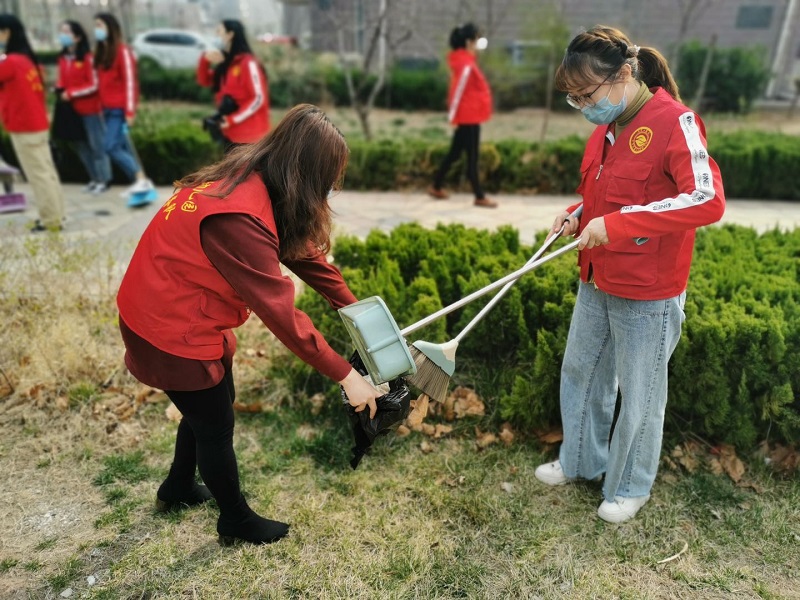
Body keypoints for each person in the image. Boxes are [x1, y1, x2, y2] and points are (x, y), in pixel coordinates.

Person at [116, 104, 382, 545]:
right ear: (307, 174)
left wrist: (355, 310)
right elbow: (283, 315)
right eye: (326, 183)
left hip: (171, 308)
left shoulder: (252, 175)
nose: (327, 194)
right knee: (214, 425)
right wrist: (347, 375)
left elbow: (302, 253)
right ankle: (235, 520)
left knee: (210, 407)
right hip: (165, 326)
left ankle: (178, 487)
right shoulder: (237, 218)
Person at [533, 26, 725, 523]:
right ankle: (580, 461)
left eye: (586, 94)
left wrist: (618, 225)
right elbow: (609, 195)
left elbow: (706, 199)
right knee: (582, 373)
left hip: (649, 291)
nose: (582, 107)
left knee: (641, 394)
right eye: (573, 99)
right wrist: (577, 213)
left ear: (623, 74)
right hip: (596, 279)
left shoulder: (677, 122)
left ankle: (629, 485)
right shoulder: (606, 126)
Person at [0, 14, 66, 232]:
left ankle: (51, 220)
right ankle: (56, 214)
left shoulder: (10, 63)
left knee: (38, 174)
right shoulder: (27, 60)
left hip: (24, 126)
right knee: (46, 171)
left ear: (6, 33)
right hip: (37, 124)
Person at [428, 23, 496, 208]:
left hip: (470, 115)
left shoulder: (466, 61)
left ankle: (436, 185)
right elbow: (456, 92)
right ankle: (479, 196)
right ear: (468, 42)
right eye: (475, 40)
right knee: (472, 156)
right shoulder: (465, 64)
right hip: (468, 117)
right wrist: (453, 117)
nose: (477, 44)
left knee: (455, 153)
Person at [93, 12, 154, 200]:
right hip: (106, 109)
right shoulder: (102, 53)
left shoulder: (123, 52)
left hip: (119, 109)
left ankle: (140, 179)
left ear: (111, 28)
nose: (97, 30)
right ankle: (140, 180)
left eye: (100, 26)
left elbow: (130, 83)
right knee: (122, 147)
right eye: (95, 26)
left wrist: (129, 110)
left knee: (110, 147)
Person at [55, 20, 112, 195]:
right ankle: (93, 179)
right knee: (81, 147)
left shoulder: (88, 58)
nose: (63, 35)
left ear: (78, 37)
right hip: (71, 111)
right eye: (62, 31)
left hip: (90, 110)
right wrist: (59, 89)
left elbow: (93, 84)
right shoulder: (63, 59)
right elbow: (62, 80)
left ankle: (104, 179)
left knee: (97, 146)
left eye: (67, 32)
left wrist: (71, 93)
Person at [196, 19, 269, 149]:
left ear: (230, 34)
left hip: (250, 137)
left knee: (247, 169)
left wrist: (233, 119)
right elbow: (204, 80)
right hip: (230, 134)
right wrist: (205, 60)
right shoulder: (227, 65)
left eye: (219, 31)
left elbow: (258, 98)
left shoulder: (248, 63)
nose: (216, 35)